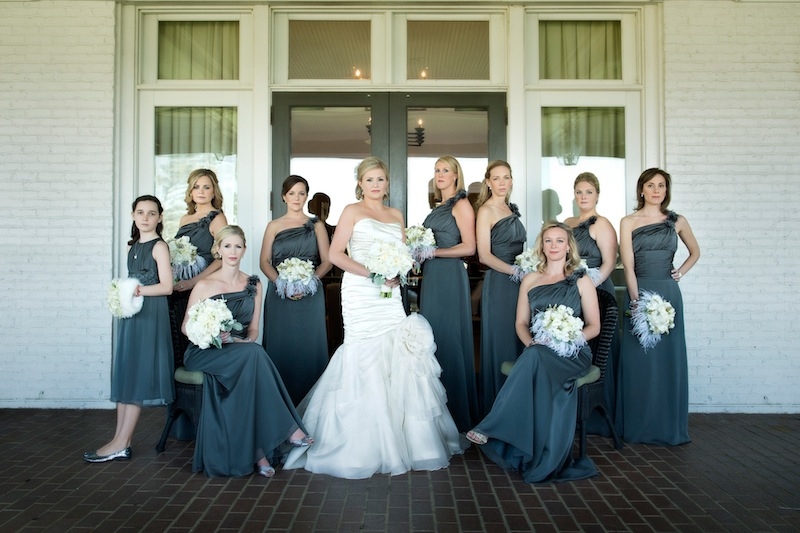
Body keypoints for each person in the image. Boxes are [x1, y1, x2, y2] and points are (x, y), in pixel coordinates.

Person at [284, 157, 463, 479]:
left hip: (390, 294)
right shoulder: (352, 211)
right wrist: (374, 273)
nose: (376, 185)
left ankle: (408, 440)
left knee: (397, 356)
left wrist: (397, 270)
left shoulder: (396, 215)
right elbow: (336, 255)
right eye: (370, 180)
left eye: (381, 179)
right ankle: (354, 440)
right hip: (361, 292)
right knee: (361, 354)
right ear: (360, 184)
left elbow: (404, 254)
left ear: (387, 183)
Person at [466, 222, 601, 483]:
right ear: (541, 246)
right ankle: (519, 442)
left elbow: (594, 326)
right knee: (535, 354)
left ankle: (490, 426)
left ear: (568, 246)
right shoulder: (530, 279)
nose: (553, 246)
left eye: (559, 241)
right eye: (548, 241)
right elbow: (520, 323)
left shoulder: (581, 280)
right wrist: (531, 343)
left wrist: (566, 338)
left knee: (535, 357)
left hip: (572, 352)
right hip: (539, 350)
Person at [182, 225, 312, 477]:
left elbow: (253, 331)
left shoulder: (254, 284)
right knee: (255, 355)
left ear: (244, 250)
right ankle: (288, 432)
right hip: (204, 351)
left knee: (252, 354)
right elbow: (186, 327)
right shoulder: (204, 285)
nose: (233, 251)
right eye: (227, 246)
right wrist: (209, 334)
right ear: (218, 249)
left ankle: (258, 453)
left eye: (238, 246)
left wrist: (238, 341)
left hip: (238, 350)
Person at [84, 195, 174, 462]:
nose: (145, 217)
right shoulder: (132, 247)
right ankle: (118, 439)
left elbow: (167, 287)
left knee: (135, 375)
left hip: (149, 316)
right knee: (126, 374)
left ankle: (122, 442)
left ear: (159, 217)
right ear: (133, 216)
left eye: (151, 213)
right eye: (140, 212)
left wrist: (136, 290)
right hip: (132, 314)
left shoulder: (159, 247)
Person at [616, 168, 700, 446]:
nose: (656, 190)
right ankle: (638, 425)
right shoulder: (628, 221)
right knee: (639, 360)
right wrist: (636, 300)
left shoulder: (677, 221)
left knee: (667, 360)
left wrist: (681, 272)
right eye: (650, 185)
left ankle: (668, 426)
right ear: (641, 190)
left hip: (668, 293)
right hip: (639, 291)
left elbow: (696, 252)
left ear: (666, 190)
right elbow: (627, 265)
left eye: (661, 186)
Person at [419, 155, 479, 433]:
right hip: (432, 277)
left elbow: (469, 247)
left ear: (456, 176)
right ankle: (436, 411)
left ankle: (456, 414)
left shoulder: (461, 204)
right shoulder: (440, 205)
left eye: (446, 170)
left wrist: (434, 252)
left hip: (449, 276)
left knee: (449, 338)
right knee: (433, 338)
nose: (440, 174)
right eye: (437, 170)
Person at [260, 176, 332, 405]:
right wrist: (283, 284)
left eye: (301, 193)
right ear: (283, 196)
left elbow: (327, 260)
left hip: (310, 295)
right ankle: (279, 404)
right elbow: (264, 262)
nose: (296, 198)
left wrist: (308, 281)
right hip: (280, 295)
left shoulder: (316, 224)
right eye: (292, 193)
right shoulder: (274, 226)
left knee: (309, 347)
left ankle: (312, 404)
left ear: (307, 196)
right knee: (281, 346)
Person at [168, 169, 229, 411]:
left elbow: (223, 257)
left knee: (200, 343)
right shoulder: (184, 219)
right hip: (179, 291)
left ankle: (208, 410)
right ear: (190, 191)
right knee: (180, 345)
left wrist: (193, 283)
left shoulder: (217, 218)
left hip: (203, 289)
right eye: (196, 187)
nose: (201, 192)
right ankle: (184, 412)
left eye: (206, 187)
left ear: (214, 190)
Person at [564, 172, 619, 435]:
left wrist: (589, 286)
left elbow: (609, 263)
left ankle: (597, 415)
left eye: (588, 192)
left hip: (596, 290)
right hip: (573, 291)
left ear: (597, 195)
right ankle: (571, 409)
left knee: (597, 348)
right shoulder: (568, 222)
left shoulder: (603, 224)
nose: (583, 197)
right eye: (579, 192)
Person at [474, 160, 526, 417]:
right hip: (500, 284)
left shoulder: (511, 210)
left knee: (519, 340)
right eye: (497, 178)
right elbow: (484, 255)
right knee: (502, 341)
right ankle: (497, 410)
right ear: (488, 182)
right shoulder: (486, 210)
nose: (502, 182)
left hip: (520, 285)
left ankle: (517, 406)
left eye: (507, 177)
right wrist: (516, 271)